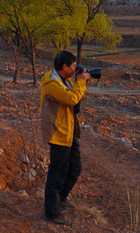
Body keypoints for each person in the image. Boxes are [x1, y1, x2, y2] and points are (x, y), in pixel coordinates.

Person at [39, 51, 91, 225]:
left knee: (74, 169)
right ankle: (51, 212)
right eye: (73, 66)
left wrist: (79, 82)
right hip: (59, 133)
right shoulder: (52, 85)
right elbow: (71, 98)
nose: (76, 69)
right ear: (64, 67)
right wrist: (81, 83)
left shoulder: (65, 80)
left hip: (70, 132)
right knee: (57, 173)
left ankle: (58, 201)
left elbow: (74, 103)